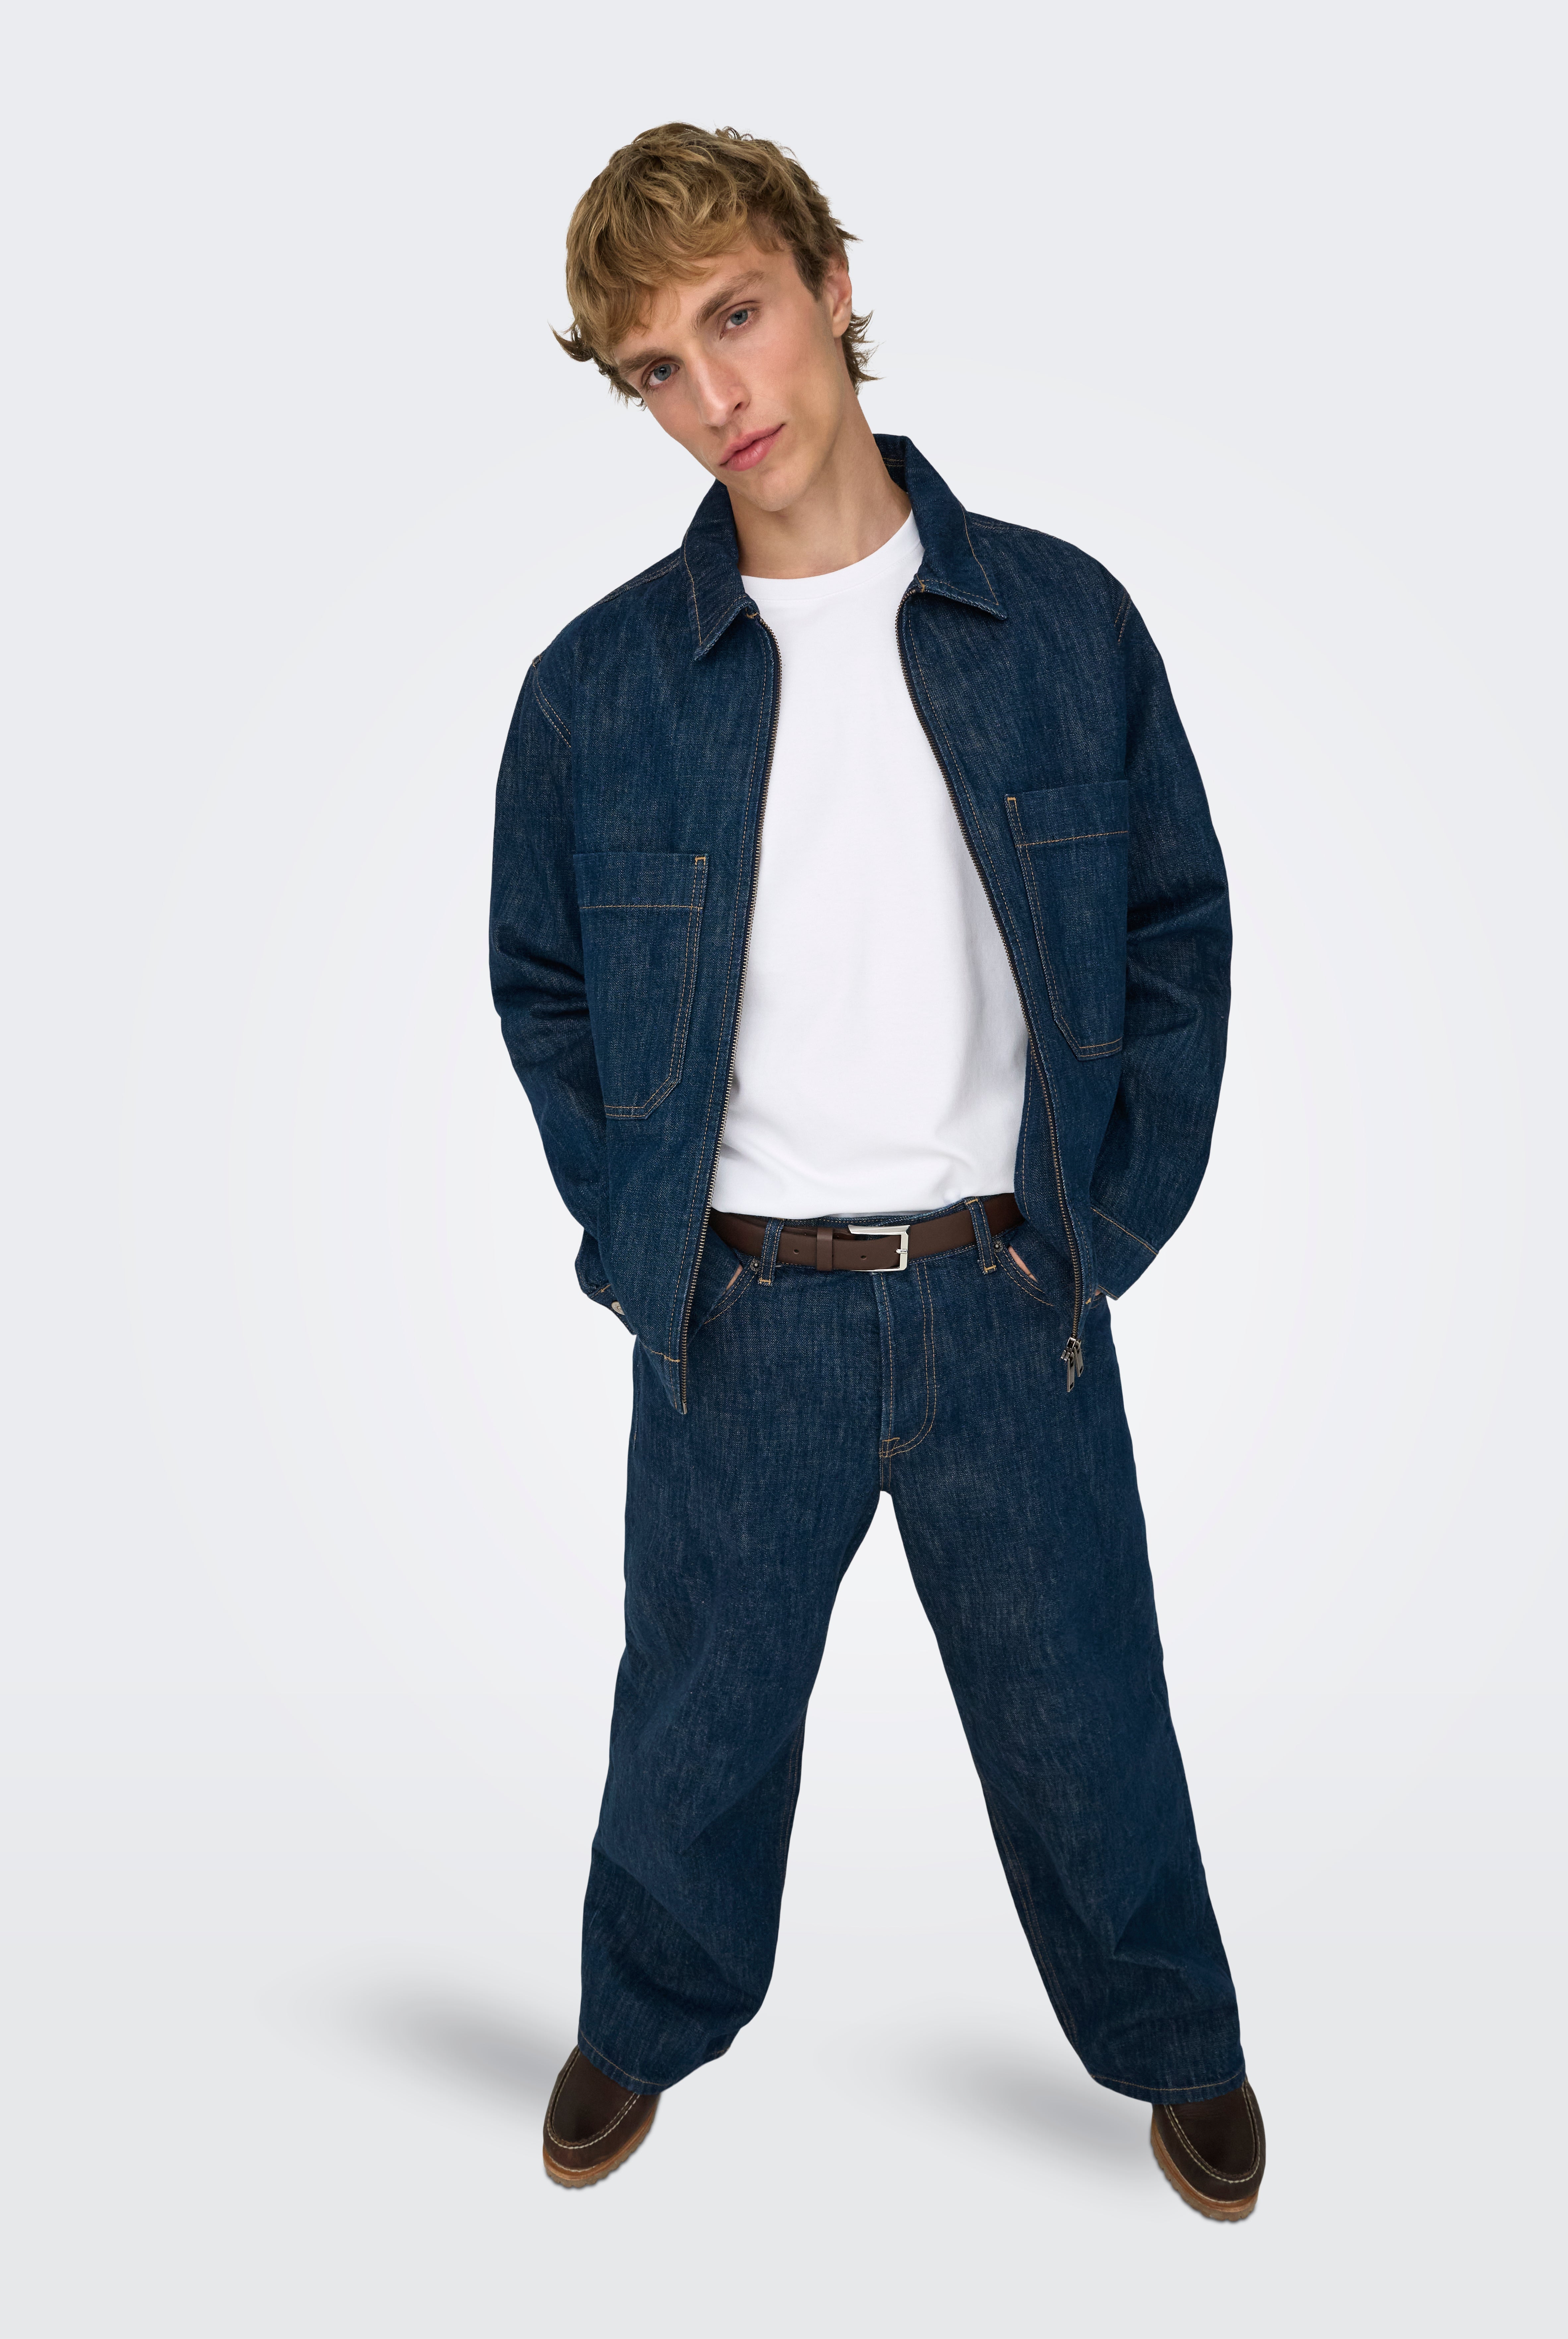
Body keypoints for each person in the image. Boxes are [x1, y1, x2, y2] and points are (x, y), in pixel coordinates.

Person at [489, 122, 1263, 2220]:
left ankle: (1174, 2043)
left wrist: (1115, 1218)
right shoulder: (597, 691)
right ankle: (642, 2019)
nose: (714, 395)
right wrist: (633, 1234)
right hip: (741, 1312)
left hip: (1014, 1291)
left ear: (832, 285)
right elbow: (543, 986)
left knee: (1087, 1711)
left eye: (736, 317)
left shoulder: (1058, 621)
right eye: (656, 369)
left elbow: (1178, 929)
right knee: (696, 1725)